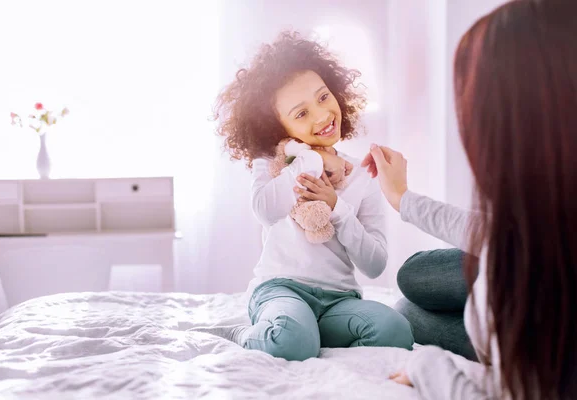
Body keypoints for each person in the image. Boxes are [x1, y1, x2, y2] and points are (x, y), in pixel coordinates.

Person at [362, 0, 577, 398]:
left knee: (407, 313)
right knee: (411, 284)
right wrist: (403, 199)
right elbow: (495, 231)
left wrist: (427, 366)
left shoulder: (530, 275)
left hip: (519, 317)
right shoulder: (542, 212)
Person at [192, 31, 413, 361]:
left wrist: (337, 208)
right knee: (290, 342)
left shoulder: (361, 173)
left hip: (340, 300)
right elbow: (266, 211)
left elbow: (375, 264)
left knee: (396, 331)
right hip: (282, 289)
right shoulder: (273, 164)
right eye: (301, 113)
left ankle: (305, 332)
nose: (322, 116)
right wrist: (311, 158)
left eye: (323, 97)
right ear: (277, 128)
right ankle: (246, 332)